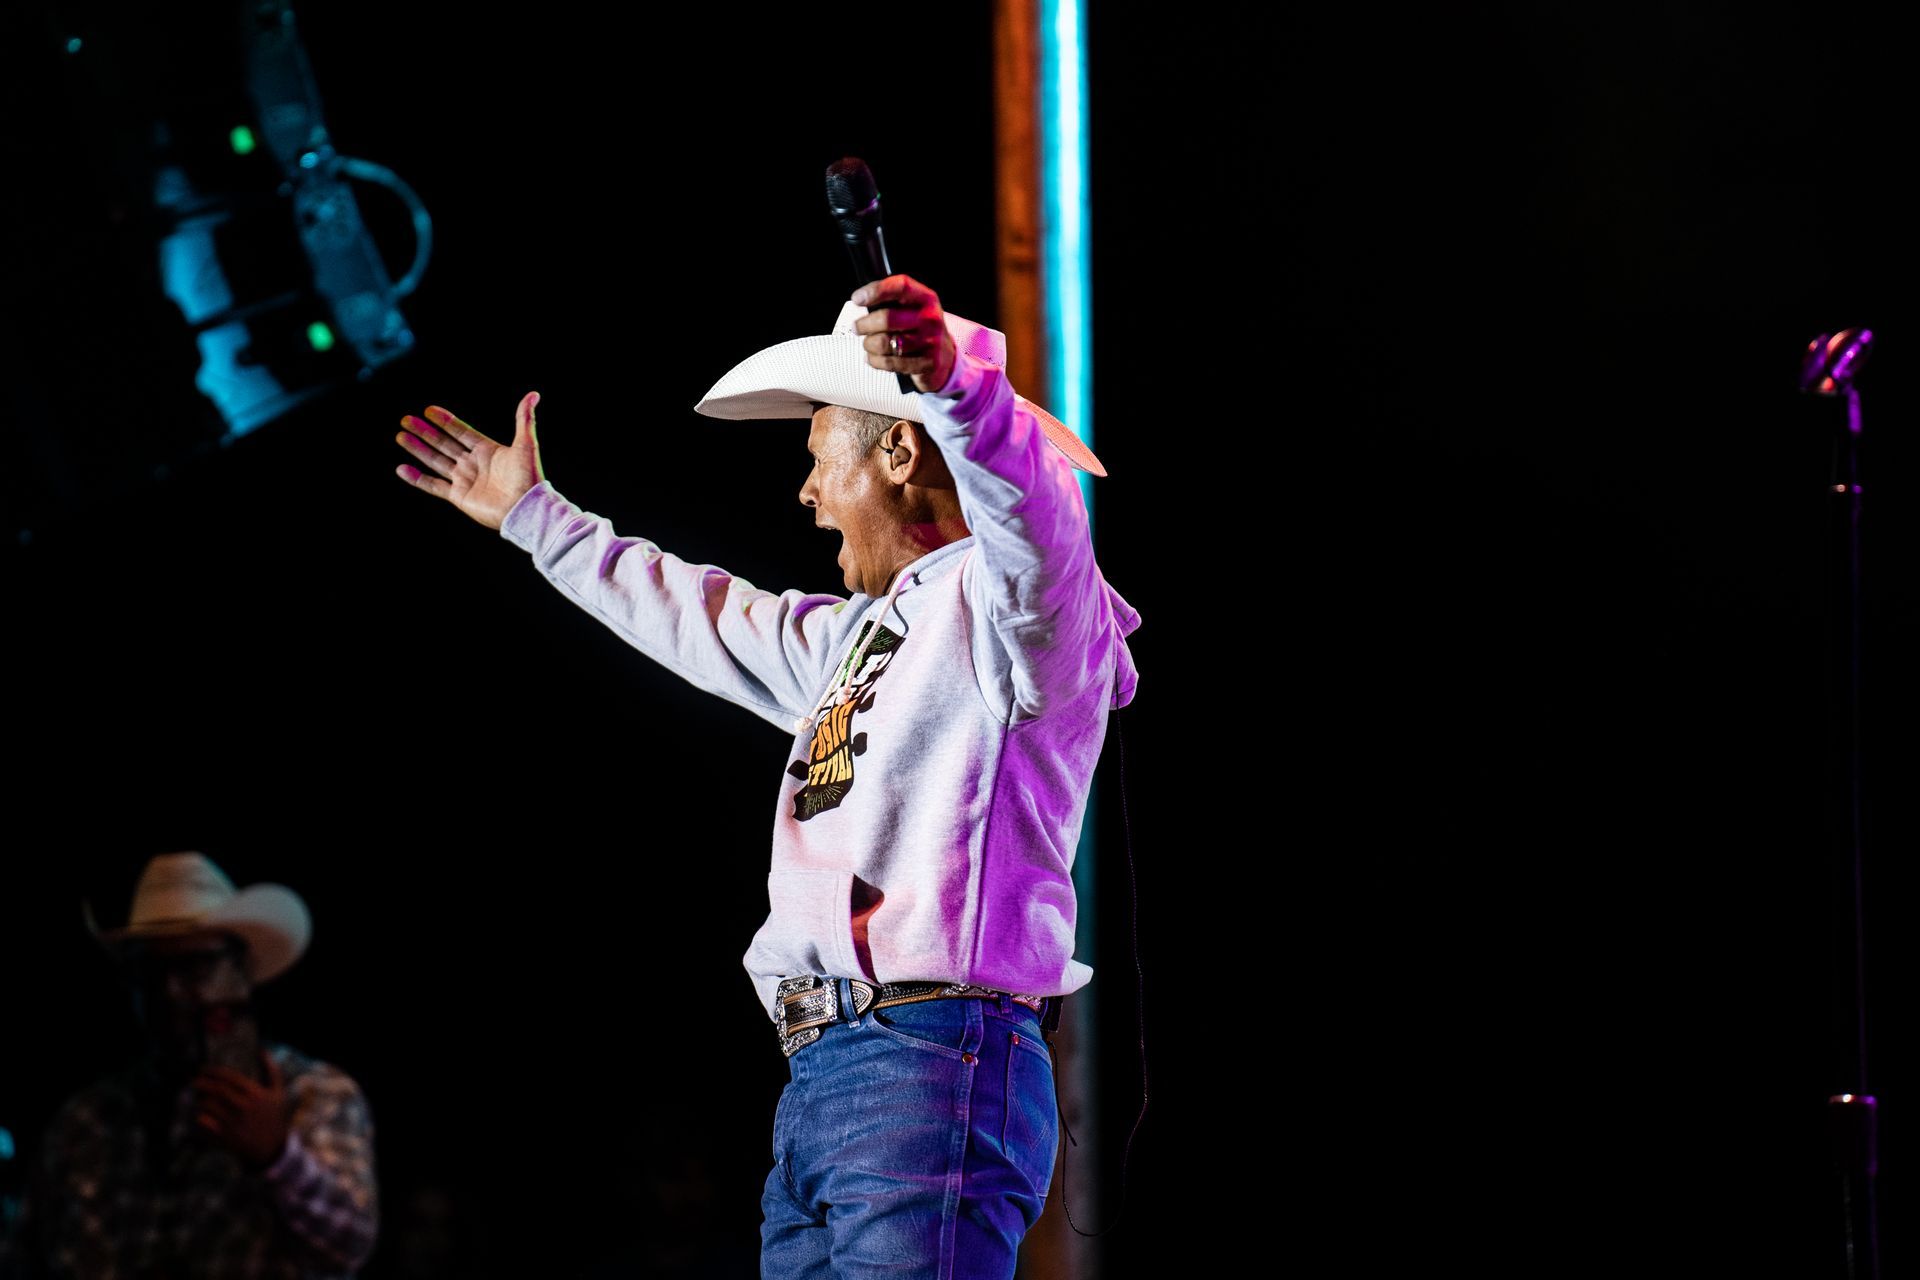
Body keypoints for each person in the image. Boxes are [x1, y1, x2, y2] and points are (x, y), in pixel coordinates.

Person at [393, 273, 1139, 1277]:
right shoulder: (856, 637)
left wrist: (957, 387)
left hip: (930, 1055)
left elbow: (1038, 520)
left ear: (900, 449)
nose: (806, 492)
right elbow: (698, 614)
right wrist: (537, 517)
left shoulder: (1025, 619)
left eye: (815, 455)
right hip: (829, 1074)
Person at [3, 852, 379, 1278]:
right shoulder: (86, 1122)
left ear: (243, 973)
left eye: (197, 967)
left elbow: (348, 1246)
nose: (171, 993)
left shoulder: (315, 1094)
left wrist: (276, 1158)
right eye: (149, 971)